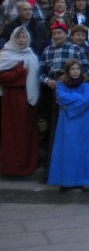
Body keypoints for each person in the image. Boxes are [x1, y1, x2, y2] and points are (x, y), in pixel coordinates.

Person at [39, 21, 89, 166]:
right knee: (54, 130)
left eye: (59, 33)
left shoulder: (76, 50)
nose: (57, 36)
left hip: (73, 92)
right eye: (54, 33)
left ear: (67, 34)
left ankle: (73, 165)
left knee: (71, 130)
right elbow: (40, 72)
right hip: (52, 93)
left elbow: (87, 70)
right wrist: (48, 81)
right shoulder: (47, 50)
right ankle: (52, 167)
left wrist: (72, 79)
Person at [47, 59, 89, 192]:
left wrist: (68, 107)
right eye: (72, 69)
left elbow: (87, 99)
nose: (75, 72)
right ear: (67, 71)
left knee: (84, 149)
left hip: (83, 121)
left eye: (77, 69)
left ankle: (86, 180)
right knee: (68, 148)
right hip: (67, 122)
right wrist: (77, 97)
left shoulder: (86, 84)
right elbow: (61, 97)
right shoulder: (61, 83)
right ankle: (67, 180)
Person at [0, 26, 40, 176]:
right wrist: (20, 73)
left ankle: (28, 166)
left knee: (26, 133)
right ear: (13, 39)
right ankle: (12, 168)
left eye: (24, 37)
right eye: (18, 37)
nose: (22, 40)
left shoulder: (31, 55)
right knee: (12, 135)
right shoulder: (5, 55)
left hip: (28, 101)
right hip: (12, 100)